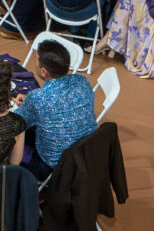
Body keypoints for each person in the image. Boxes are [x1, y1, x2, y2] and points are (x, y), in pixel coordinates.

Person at [13, 41, 98, 170]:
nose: (34, 60)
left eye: (35, 58)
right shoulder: (82, 80)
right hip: (86, 153)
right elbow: (64, 104)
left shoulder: (38, 98)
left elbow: (15, 123)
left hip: (55, 162)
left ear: (43, 71)